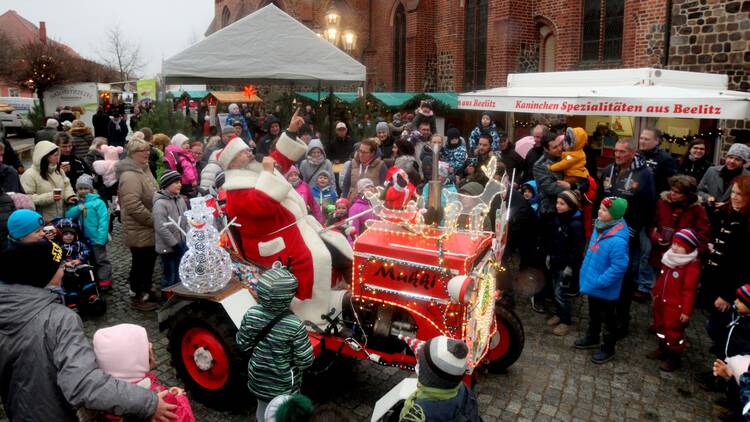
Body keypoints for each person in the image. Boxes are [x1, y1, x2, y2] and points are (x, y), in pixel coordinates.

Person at [0, 209, 175, 421]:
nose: (64, 269)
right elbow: (82, 383)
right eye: (59, 265)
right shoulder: (60, 319)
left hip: (18, 409)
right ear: (43, 273)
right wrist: (148, 402)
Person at [222, 110, 351, 327]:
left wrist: (291, 131)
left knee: (335, 241)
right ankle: (310, 313)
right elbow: (262, 204)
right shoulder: (235, 192)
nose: (250, 153)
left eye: (248, 150)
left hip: (294, 228)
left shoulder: (254, 172)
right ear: (233, 164)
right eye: (244, 153)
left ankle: (337, 293)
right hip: (270, 243)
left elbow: (278, 160)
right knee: (315, 257)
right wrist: (267, 173)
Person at [236, 265, 314, 422]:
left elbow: (242, 344)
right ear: (288, 296)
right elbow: (305, 361)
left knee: (262, 409)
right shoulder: (294, 325)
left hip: (258, 378)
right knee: (284, 416)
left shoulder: (252, 314)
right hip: (284, 385)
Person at [598, 137, 656, 330]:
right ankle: (605, 312)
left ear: (632, 152)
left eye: (622, 152)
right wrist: (596, 222)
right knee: (605, 270)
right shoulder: (609, 170)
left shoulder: (644, 174)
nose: (617, 155)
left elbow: (648, 206)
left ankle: (622, 319)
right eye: (615, 151)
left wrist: (633, 229)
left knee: (623, 275)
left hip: (627, 234)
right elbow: (600, 197)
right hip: (605, 232)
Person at [87, 324, 194, 421]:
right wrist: (180, 397)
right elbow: (186, 418)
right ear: (137, 359)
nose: (151, 349)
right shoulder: (159, 402)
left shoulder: (99, 395)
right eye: (147, 347)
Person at [575, 197, 630, 364]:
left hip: (604, 288)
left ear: (614, 216)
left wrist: (600, 281)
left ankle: (608, 348)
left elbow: (619, 267)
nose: (599, 211)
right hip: (593, 283)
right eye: (600, 208)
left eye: (604, 210)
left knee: (608, 319)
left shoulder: (617, 241)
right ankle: (592, 337)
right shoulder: (600, 227)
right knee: (593, 314)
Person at [703, 176, 750, 359]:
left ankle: (723, 371)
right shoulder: (732, 215)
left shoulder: (745, 224)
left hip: (732, 290)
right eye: (734, 192)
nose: (735, 197)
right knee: (717, 326)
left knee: (722, 329)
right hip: (718, 282)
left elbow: (742, 266)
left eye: (741, 194)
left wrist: (728, 295)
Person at [647, 228, 701, 372]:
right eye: (674, 244)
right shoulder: (669, 258)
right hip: (661, 301)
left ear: (689, 249)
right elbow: (662, 278)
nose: (674, 247)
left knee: (674, 332)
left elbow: (689, 291)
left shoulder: (691, 267)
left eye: (679, 246)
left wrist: (686, 311)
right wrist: (655, 292)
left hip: (675, 307)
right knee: (660, 326)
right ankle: (662, 348)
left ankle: (674, 357)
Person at [116, 138, 159, 311]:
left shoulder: (144, 169)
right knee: (141, 263)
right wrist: (153, 220)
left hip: (148, 227)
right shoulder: (130, 175)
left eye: (148, 149)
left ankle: (146, 289)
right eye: (142, 150)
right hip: (140, 227)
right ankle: (138, 296)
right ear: (133, 154)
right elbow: (133, 205)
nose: (147, 153)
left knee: (148, 262)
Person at [398, 336, 481, 422]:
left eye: (420, 364)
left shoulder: (417, 414)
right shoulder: (464, 389)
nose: (417, 366)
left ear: (427, 376)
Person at [648, 175, 710, 269]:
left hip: (683, 261)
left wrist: (688, 253)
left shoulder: (698, 210)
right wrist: (656, 237)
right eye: (672, 190)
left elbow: (703, 236)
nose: (672, 193)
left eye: (677, 192)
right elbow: (650, 225)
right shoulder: (662, 203)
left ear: (687, 194)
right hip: (659, 257)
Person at [546, 190, 585, 336]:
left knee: (561, 293)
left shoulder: (575, 225)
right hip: (556, 261)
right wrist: (550, 255)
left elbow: (577, 249)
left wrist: (570, 266)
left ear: (570, 205)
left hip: (565, 265)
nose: (558, 206)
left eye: (562, 204)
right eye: (557, 202)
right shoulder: (559, 218)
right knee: (556, 290)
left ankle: (565, 321)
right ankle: (559, 313)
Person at [65, 174, 112, 288]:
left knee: (100, 260)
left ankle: (105, 279)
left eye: (86, 188)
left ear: (91, 189)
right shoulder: (77, 203)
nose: (83, 191)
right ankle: (93, 278)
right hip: (82, 239)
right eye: (80, 189)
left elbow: (103, 221)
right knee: (88, 260)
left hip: (96, 238)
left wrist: (102, 237)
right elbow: (68, 215)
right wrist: (77, 208)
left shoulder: (98, 203)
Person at [20, 140, 76, 221]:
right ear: (44, 157)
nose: (58, 158)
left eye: (58, 155)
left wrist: (69, 196)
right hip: (42, 220)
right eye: (55, 155)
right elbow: (26, 198)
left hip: (62, 217)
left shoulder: (58, 170)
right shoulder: (29, 174)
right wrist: (50, 197)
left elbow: (66, 185)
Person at [153, 171, 188, 289]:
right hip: (167, 248)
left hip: (181, 243)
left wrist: (186, 237)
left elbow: (186, 219)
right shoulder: (160, 204)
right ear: (167, 184)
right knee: (170, 274)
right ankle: (167, 294)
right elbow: (161, 227)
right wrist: (174, 244)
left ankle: (178, 295)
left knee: (180, 272)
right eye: (176, 182)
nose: (180, 185)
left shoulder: (180, 199)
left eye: (180, 182)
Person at [341, 138, 387, 202]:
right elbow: (346, 185)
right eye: (360, 151)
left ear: (372, 153)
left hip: (371, 205)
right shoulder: (353, 163)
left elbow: (383, 188)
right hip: (352, 203)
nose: (361, 155)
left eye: (364, 152)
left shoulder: (381, 166)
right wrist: (344, 200)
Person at [638, 127, 677, 196]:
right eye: (641, 138)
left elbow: (671, 184)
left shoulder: (666, 159)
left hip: (654, 199)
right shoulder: (636, 154)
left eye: (646, 139)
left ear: (657, 141)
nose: (642, 141)